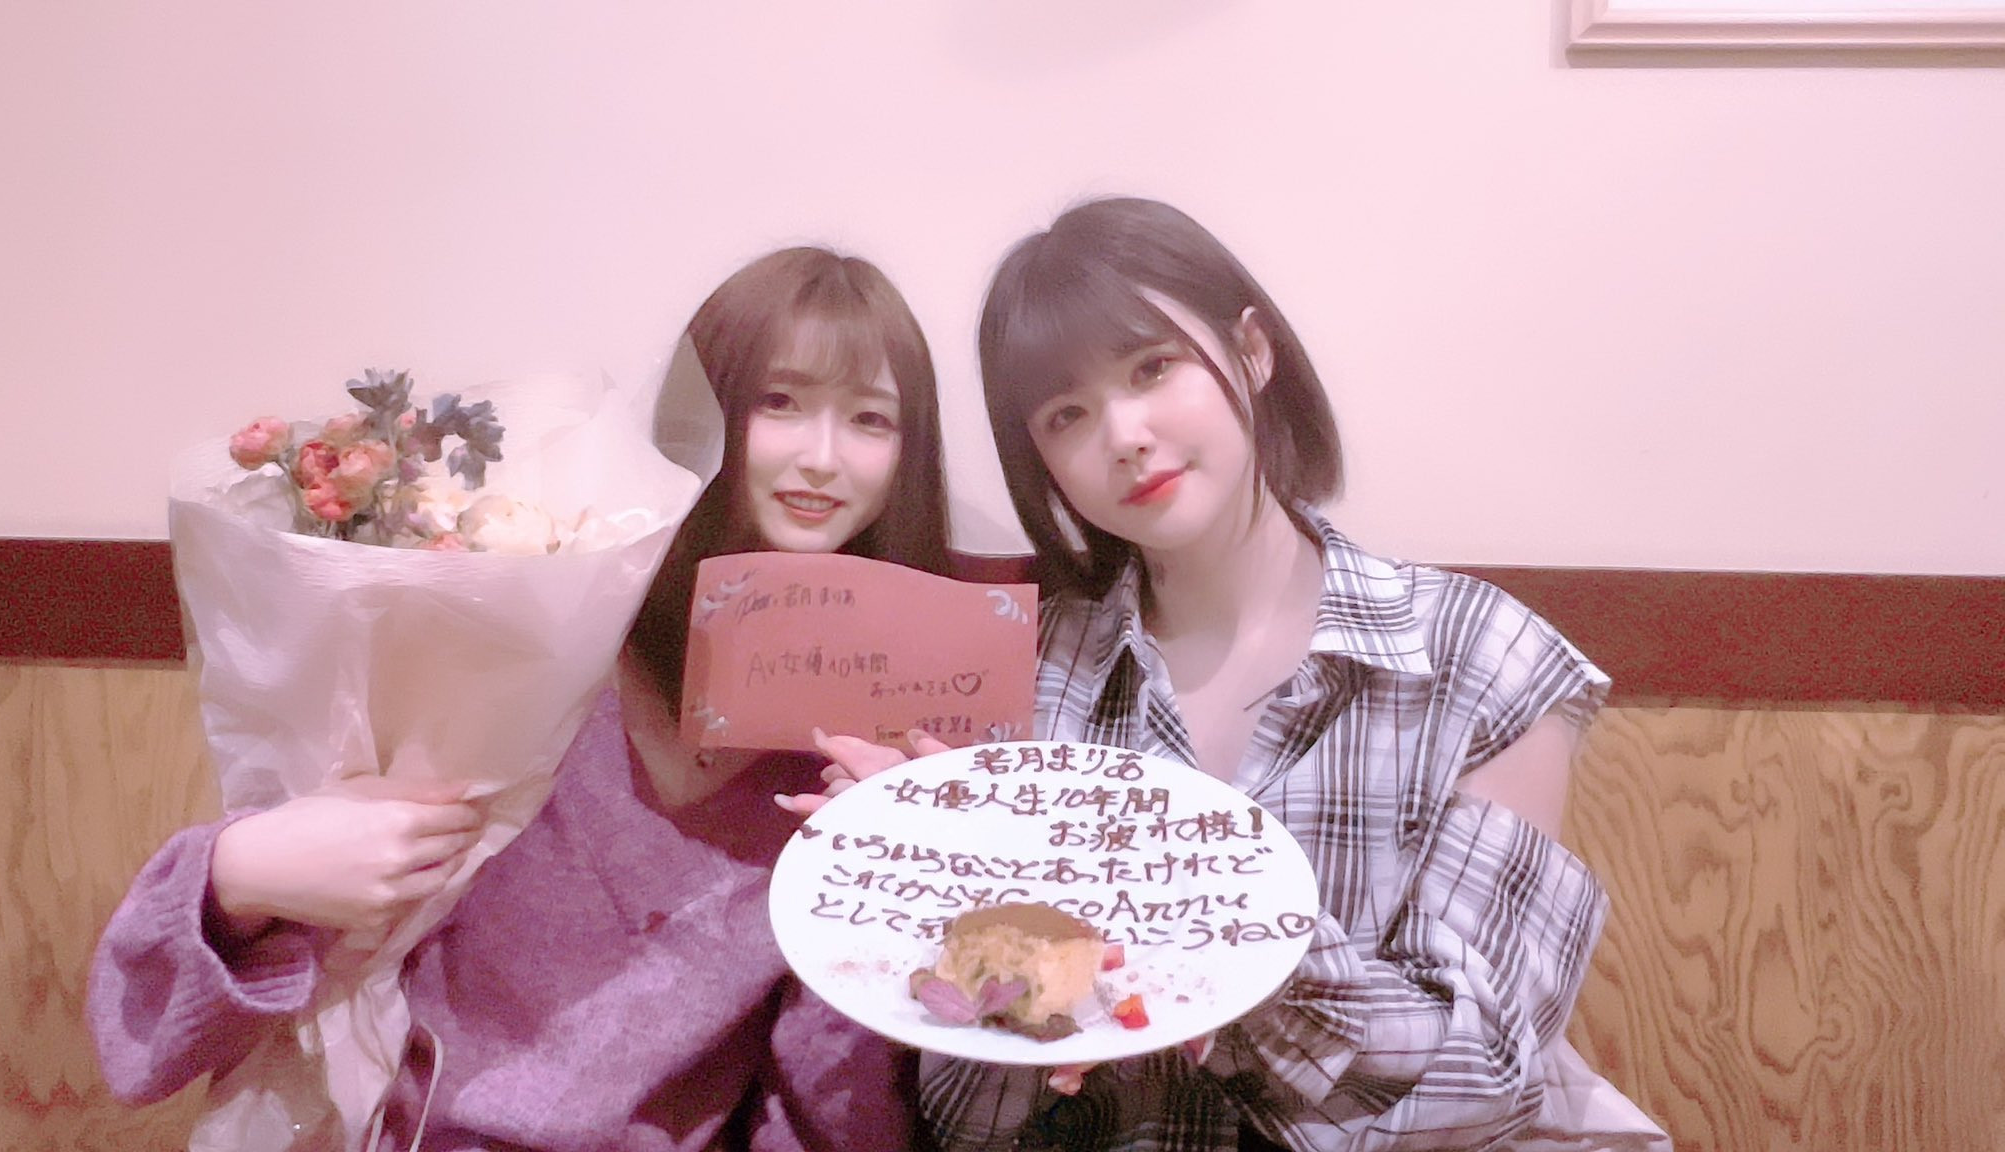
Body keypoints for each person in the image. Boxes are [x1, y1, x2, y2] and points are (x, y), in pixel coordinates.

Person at [803, 198, 1669, 1151]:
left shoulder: (1477, 658)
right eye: (1066, 413)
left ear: (1252, 352)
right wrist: (928, 873)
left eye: (1152, 367)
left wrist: (1203, 961)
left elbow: (1482, 1076)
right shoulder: (1024, 667)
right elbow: (970, 1103)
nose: (1123, 433)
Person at [87, 246, 951, 1152]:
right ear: (711, 410)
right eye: (780, 402)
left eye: (870, 419)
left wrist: (884, 903)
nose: (822, 457)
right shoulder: (543, 639)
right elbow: (141, 1040)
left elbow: (824, 1111)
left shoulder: (864, 747)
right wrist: (237, 875)